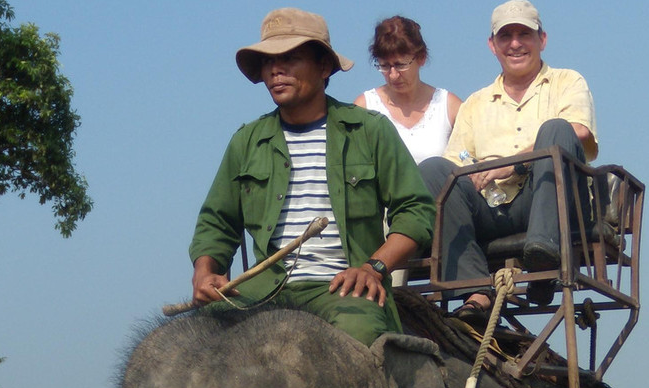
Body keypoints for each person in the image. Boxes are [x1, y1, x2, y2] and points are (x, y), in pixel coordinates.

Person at [188, 8, 435, 346]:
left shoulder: (369, 130)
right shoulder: (247, 142)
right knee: (196, 339)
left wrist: (373, 268)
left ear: (323, 67)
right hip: (264, 290)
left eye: (291, 58)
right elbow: (216, 222)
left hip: (344, 289)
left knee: (358, 340)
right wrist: (205, 272)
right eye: (268, 61)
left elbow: (416, 211)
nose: (276, 70)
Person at [419, 0, 597, 311]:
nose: (515, 44)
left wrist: (509, 164)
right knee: (435, 170)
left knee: (555, 130)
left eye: (524, 34)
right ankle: (474, 291)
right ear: (493, 45)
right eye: (506, 36)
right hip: (495, 206)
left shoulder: (567, 81)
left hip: (555, 200)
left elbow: (578, 131)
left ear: (542, 39)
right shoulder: (476, 103)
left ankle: (543, 254)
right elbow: (457, 164)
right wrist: (474, 174)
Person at [353, 16, 463, 164]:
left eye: (400, 65)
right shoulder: (364, 107)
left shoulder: (449, 107)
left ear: (421, 58)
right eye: (385, 66)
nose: (393, 75)